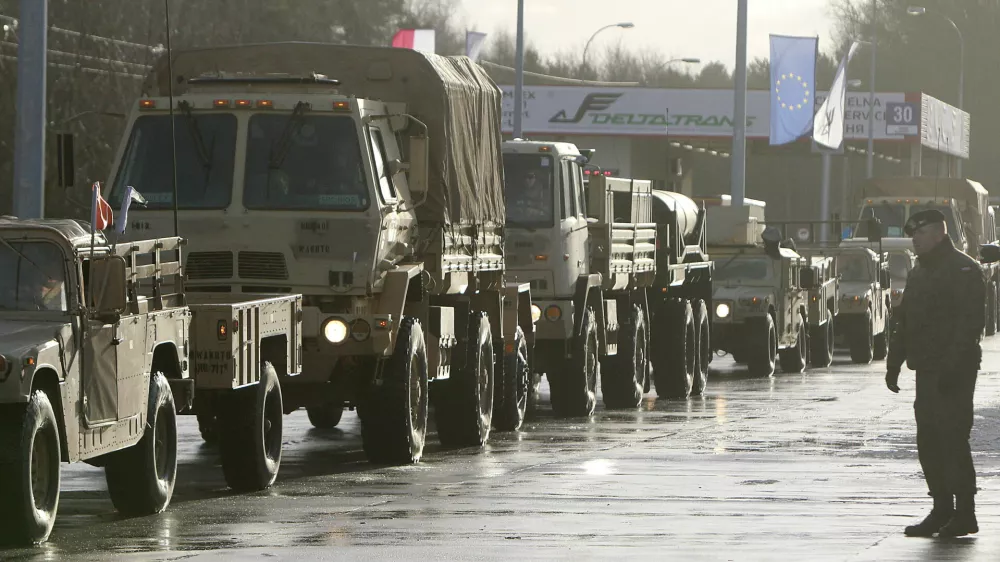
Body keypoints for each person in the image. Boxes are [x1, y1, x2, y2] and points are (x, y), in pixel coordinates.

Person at [885, 208, 985, 538]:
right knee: (928, 440)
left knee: (952, 438)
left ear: (940, 234)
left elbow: (970, 325)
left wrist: (952, 367)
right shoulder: (920, 271)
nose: (915, 239)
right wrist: (894, 362)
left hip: (954, 372)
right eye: (913, 234)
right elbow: (905, 320)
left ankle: (965, 513)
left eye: (921, 233)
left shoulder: (963, 269)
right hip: (926, 370)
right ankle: (942, 509)